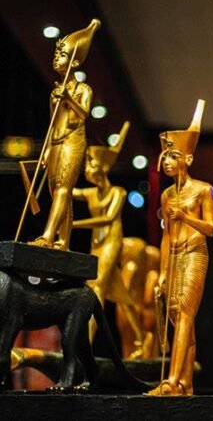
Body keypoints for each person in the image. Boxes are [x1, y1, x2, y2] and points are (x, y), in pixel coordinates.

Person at [148, 100, 213, 396]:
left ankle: (172, 380)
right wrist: (163, 272)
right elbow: (165, 237)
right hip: (174, 257)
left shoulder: (202, 190)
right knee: (177, 318)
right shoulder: (165, 195)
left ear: (187, 159)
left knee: (186, 315)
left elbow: (210, 228)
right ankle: (186, 384)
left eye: (173, 156)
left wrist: (185, 217)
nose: (167, 162)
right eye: (164, 157)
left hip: (195, 253)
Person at [71, 122, 145, 358]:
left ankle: (86, 343)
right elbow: (65, 190)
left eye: (91, 165)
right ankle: (142, 338)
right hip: (96, 245)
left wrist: (74, 224)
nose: (88, 170)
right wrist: (54, 166)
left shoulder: (118, 192)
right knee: (123, 297)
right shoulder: (90, 193)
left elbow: (107, 219)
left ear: (102, 168)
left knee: (97, 289)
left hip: (112, 243)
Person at [30, 19, 100, 250]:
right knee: (57, 192)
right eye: (56, 55)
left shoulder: (83, 89)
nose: (56, 58)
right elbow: (52, 123)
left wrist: (68, 98)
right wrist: (47, 149)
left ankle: (48, 236)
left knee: (63, 188)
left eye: (62, 55)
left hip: (73, 141)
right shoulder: (54, 93)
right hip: (57, 142)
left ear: (75, 62)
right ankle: (63, 241)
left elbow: (84, 114)